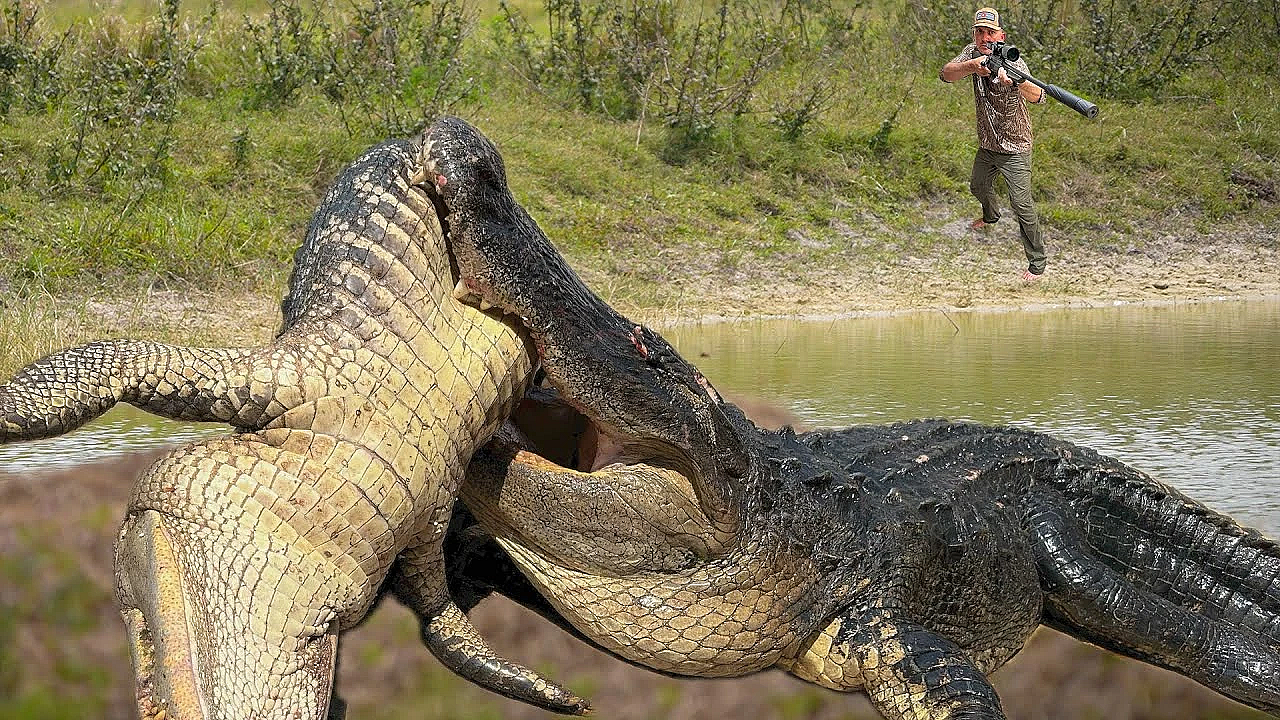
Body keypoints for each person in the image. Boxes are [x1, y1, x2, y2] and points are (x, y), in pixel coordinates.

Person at [940, 7, 1048, 281]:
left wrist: (1016, 83)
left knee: (1022, 204)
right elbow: (946, 73)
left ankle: (1037, 263)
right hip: (988, 143)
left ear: (1001, 34)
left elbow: (1039, 96)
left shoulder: (1013, 59)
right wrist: (971, 66)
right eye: (980, 32)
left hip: (1016, 145)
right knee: (977, 186)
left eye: (990, 32)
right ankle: (991, 216)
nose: (985, 38)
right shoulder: (971, 53)